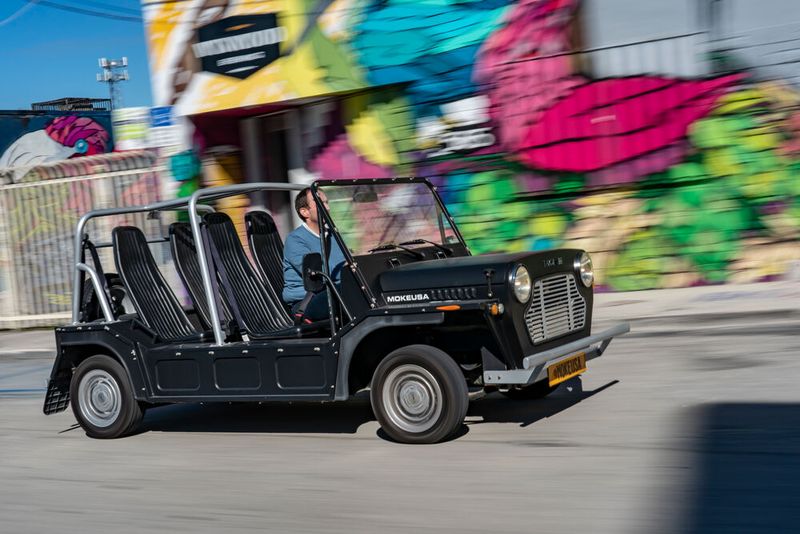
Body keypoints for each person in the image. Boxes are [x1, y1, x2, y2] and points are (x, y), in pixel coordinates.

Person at [282, 187, 345, 321]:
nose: (327, 208)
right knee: (351, 293)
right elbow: (319, 274)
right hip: (307, 302)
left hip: (333, 292)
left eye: (327, 203)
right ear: (305, 212)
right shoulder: (295, 239)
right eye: (320, 204)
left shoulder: (333, 235)